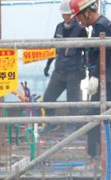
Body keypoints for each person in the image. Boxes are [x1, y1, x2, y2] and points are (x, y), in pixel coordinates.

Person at [70, 0, 111, 158]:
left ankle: (98, 155)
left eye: (79, 17)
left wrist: (94, 76)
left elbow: (102, 54)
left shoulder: (101, 27)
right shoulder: (103, 25)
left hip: (109, 80)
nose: (79, 21)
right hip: (109, 78)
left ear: (87, 12)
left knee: (103, 116)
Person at [42, 0, 88, 130]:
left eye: (67, 15)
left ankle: (74, 127)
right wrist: (48, 64)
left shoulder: (80, 30)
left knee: (73, 102)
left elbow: (88, 51)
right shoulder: (59, 27)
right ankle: (51, 123)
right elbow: (54, 48)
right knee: (48, 99)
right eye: (63, 15)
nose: (65, 18)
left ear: (73, 14)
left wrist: (85, 67)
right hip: (59, 70)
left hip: (74, 71)